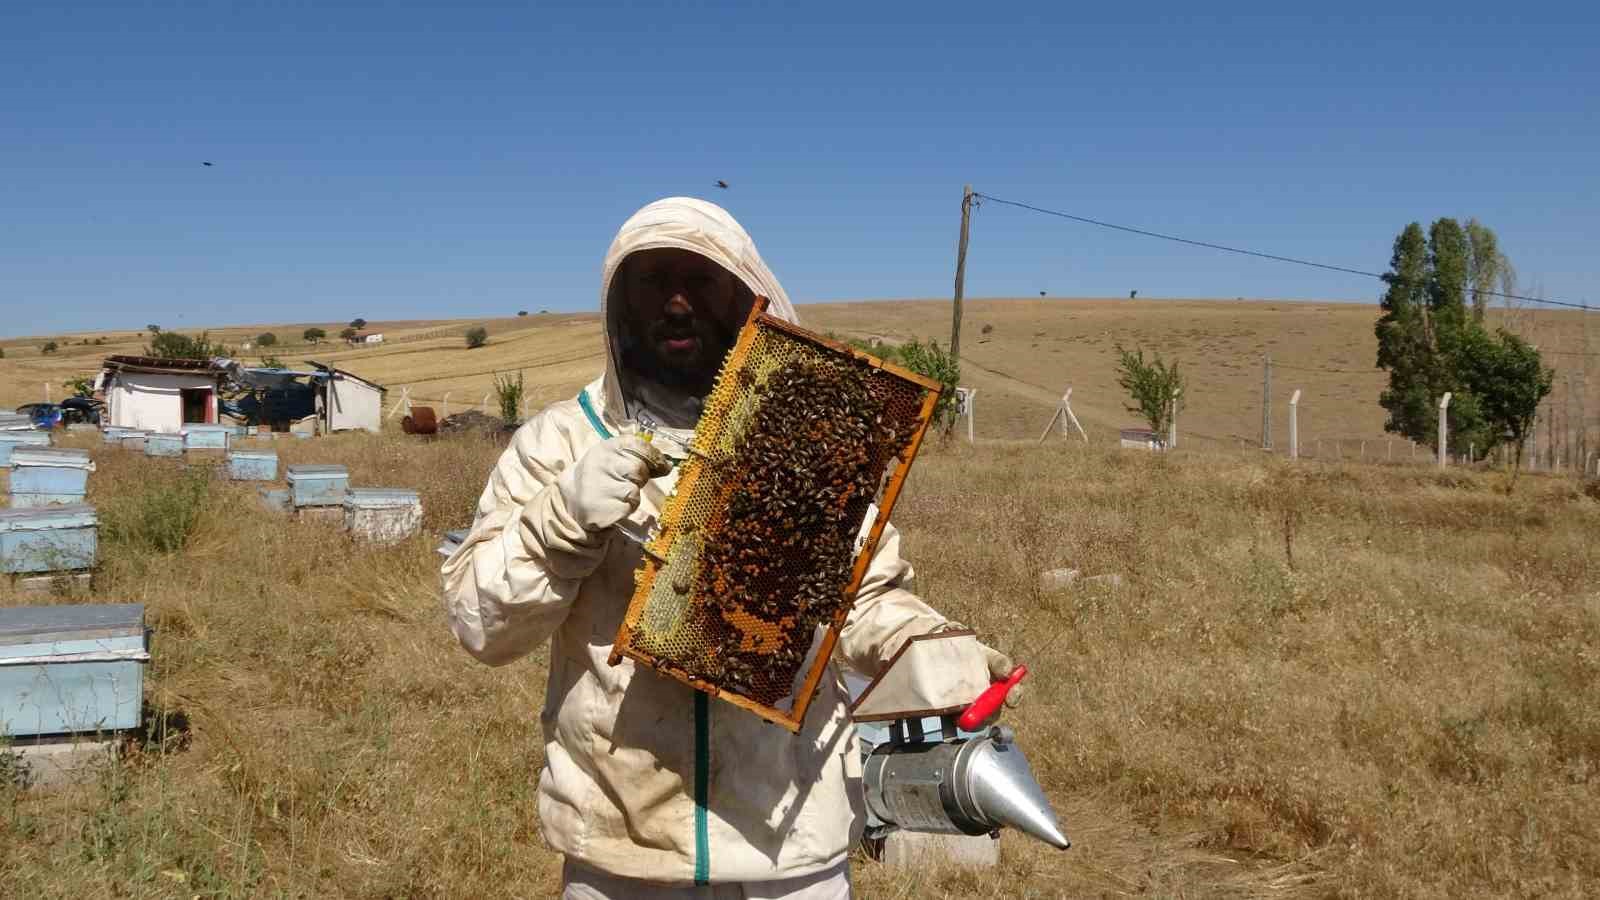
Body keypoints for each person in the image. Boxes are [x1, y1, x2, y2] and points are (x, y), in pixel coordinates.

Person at [441, 197, 1017, 899]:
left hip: (794, 848)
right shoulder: (557, 444)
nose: (677, 304)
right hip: (625, 854)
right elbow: (482, 627)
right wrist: (557, 523)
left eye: (700, 280)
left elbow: (861, 594)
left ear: (747, 292)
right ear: (620, 302)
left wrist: (926, 648)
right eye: (653, 282)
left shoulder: (812, 438)